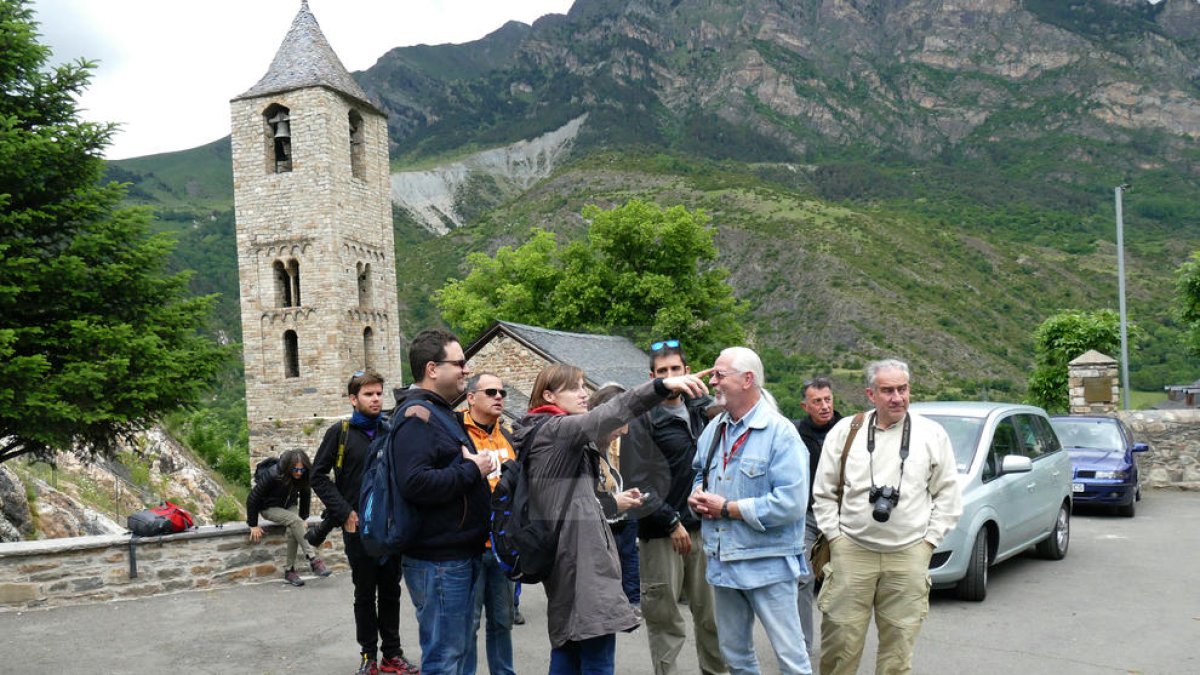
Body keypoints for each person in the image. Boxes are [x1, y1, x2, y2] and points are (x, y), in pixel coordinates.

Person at [513, 363, 709, 675]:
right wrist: (661, 387)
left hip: (569, 560)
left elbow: (569, 502)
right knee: (596, 659)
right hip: (582, 565)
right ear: (549, 395)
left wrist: (613, 502)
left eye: (583, 386)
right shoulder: (556, 430)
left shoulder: (546, 432)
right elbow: (608, 413)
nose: (584, 393)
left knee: (569, 650)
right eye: (575, 387)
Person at [813, 359, 963, 675]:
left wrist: (928, 544)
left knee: (897, 653)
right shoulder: (846, 431)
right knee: (839, 645)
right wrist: (836, 540)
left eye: (902, 389)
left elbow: (948, 497)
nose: (897, 397)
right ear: (871, 394)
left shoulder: (931, 434)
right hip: (852, 551)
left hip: (908, 555)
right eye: (887, 390)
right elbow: (823, 493)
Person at [687, 347, 811, 675]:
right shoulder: (714, 430)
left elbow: (792, 503)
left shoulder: (781, 434)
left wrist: (728, 509)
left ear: (748, 379)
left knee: (791, 658)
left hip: (768, 563)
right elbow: (699, 473)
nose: (712, 382)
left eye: (719, 375)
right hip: (723, 561)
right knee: (735, 657)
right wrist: (696, 496)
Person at [393, 328, 494, 675]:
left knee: (459, 650)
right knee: (444, 657)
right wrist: (472, 470)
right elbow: (414, 482)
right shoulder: (416, 417)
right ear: (433, 369)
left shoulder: (436, 412)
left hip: (456, 555)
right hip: (439, 561)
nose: (466, 370)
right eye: (460, 363)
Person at [623, 340, 728, 675]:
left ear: (686, 371)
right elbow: (635, 481)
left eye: (676, 369)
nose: (671, 376)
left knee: (712, 619)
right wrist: (670, 521)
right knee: (665, 621)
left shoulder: (701, 411)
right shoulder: (642, 419)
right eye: (663, 371)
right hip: (661, 535)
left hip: (705, 529)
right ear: (653, 377)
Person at [310, 370, 419, 675]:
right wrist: (344, 512)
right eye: (369, 394)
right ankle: (368, 656)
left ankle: (392, 655)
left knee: (390, 592)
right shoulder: (340, 433)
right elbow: (317, 476)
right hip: (357, 528)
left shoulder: (389, 429)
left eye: (379, 393)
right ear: (353, 399)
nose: (375, 399)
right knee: (364, 593)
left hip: (388, 526)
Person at [460, 373, 517, 675]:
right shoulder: (456, 433)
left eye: (503, 393)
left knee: (502, 622)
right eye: (492, 391)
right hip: (470, 547)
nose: (499, 397)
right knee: (468, 625)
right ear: (471, 397)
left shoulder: (506, 435)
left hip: (502, 549)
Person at [791, 376, 844, 659]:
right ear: (805, 405)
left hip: (843, 515)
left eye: (828, 400)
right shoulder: (795, 432)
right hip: (808, 515)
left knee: (842, 580)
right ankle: (801, 645)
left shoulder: (850, 430)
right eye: (817, 401)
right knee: (801, 577)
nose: (824, 406)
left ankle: (838, 643)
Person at [589, 384, 641, 614]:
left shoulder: (603, 446)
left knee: (627, 558)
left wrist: (621, 497)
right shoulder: (583, 448)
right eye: (621, 423)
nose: (625, 431)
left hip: (613, 525)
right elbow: (572, 506)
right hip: (591, 548)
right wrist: (614, 503)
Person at [246, 449, 330, 587]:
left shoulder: (303, 476)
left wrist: (303, 517)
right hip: (268, 507)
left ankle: (289, 571)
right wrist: (253, 524)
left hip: (289, 505)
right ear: (289, 467)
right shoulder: (273, 474)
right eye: (295, 470)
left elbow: (305, 495)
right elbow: (253, 498)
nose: (298, 473)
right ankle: (313, 559)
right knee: (294, 521)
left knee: (294, 528)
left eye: (301, 470)